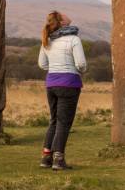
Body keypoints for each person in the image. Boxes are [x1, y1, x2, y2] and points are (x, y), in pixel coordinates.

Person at [37, 10, 86, 170]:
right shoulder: (74, 39)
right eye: (63, 15)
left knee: (53, 120)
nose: (66, 14)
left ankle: (46, 157)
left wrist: (55, 68)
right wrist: (79, 71)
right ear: (62, 22)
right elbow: (81, 64)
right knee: (64, 123)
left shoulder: (48, 40)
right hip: (69, 84)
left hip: (51, 84)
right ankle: (58, 160)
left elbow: (42, 64)